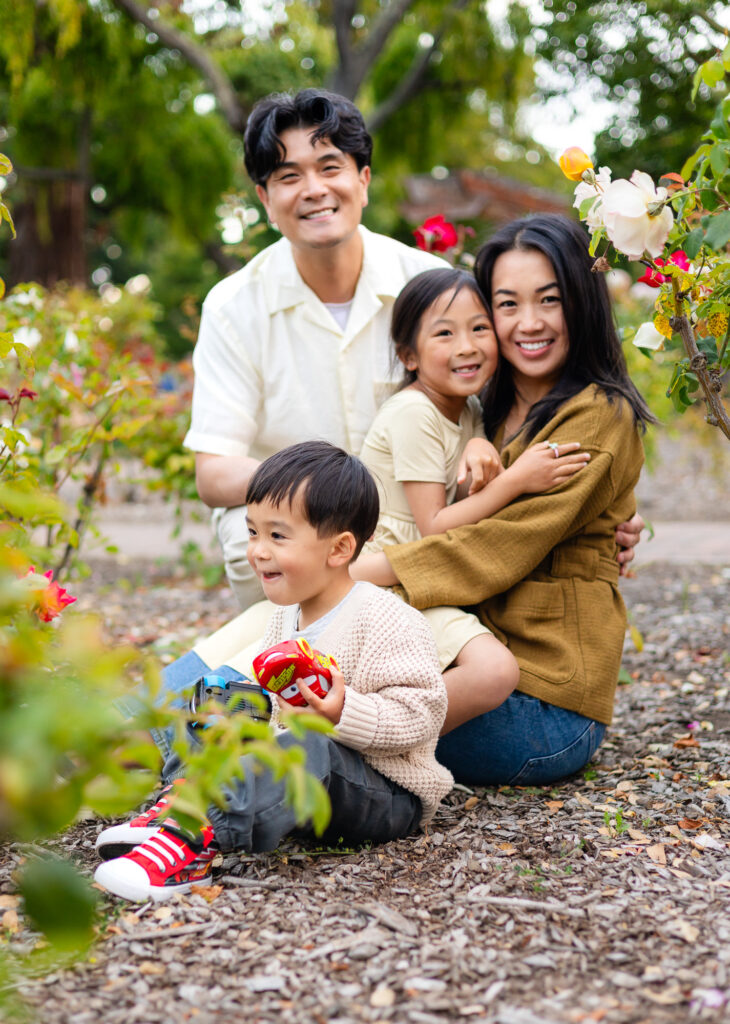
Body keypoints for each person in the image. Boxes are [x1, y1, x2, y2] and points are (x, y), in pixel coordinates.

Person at [351, 213, 655, 787]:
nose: (529, 323)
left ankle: (213, 761)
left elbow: (497, 543)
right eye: (508, 304)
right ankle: (186, 732)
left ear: (582, 303)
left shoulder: (597, 414)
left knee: (339, 716)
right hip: (470, 658)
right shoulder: (481, 404)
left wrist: (362, 573)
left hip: (545, 703)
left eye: (550, 300)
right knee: (317, 684)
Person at [94, 442, 453, 902]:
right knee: (223, 696)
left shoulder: (387, 618)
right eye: (252, 533)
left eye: (277, 537)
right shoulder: (286, 615)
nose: (258, 552)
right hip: (308, 782)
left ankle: (194, 840)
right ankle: (187, 799)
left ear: (340, 548)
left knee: (310, 745)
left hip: (383, 792)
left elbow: (423, 713)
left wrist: (345, 711)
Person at [184, 88, 445, 608]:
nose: (314, 190)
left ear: (363, 180)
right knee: (250, 532)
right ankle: (302, 664)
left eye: (330, 167)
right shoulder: (235, 306)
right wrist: (319, 492)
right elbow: (215, 474)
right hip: (296, 529)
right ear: (265, 198)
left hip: (414, 516)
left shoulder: (429, 284)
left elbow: (497, 407)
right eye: (288, 176)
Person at [359, 266, 591, 733]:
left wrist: (479, 444)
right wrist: (516, 479)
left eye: (479, 328)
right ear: (408, 355)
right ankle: (372, 734)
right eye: (445, 333)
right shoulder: (413, 413)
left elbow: (462, 491)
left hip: (425, 576)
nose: (467, 346)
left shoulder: (468, 408)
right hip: (389, 578)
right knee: (493, 671)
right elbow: (436, 526)